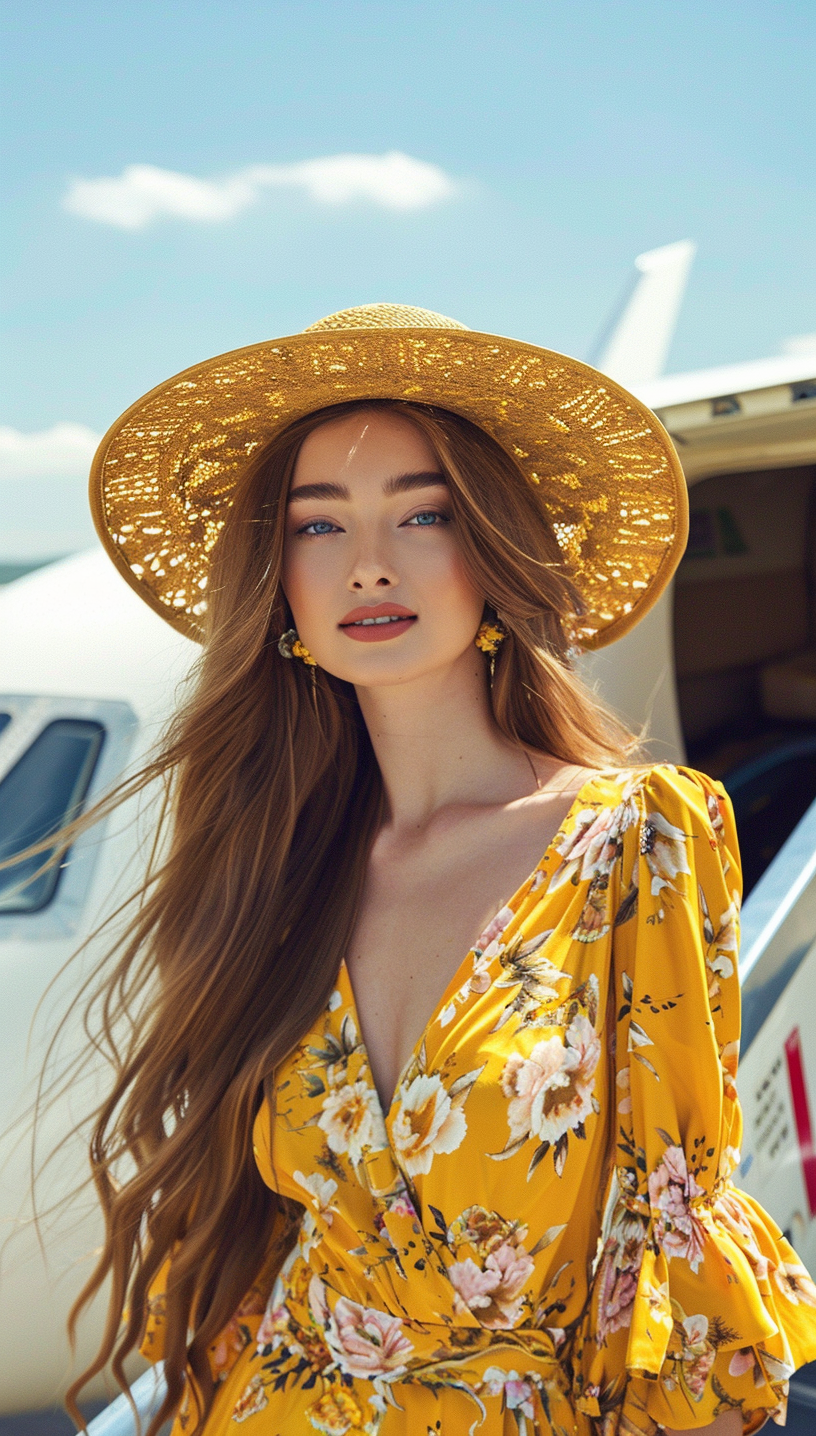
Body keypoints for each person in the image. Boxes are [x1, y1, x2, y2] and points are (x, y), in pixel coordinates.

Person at [65, 305, 816, 1434]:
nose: (369, 563)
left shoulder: (632, 838)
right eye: (319, 528)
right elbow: (256, 1255)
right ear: (280, 586)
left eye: (424, 514)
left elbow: (677, 1245)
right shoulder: (277, 861)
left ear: (495, 552)